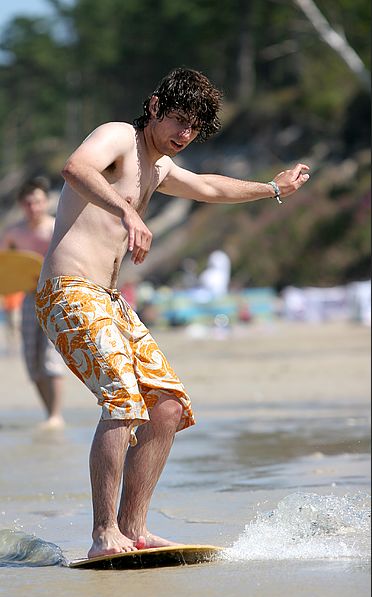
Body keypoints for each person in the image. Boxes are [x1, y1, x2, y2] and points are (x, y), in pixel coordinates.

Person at [35, 67, 310, 558]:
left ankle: (133, 528)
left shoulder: (158, 168)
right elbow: (76, 167)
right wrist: (128, 210)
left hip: (109, 300)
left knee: (166, 404)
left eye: (194, 128)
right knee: (122, 398)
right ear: (156, 106)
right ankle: (103, 535)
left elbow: (209, 187)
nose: (184, 135)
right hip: (69, 291)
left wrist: (272, 188)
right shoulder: (118, 136)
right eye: (179, 120)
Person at [0, 177, 65, 428]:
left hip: (56, 294)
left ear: (45, 202)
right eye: (28, 203)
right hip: (28, 296)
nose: (33, 207)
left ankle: (55, 415)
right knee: (32, 359)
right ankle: (49, 413)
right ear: (21, 204)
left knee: (51, 356)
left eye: (37, 202)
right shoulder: (15, 232)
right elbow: (5, 266)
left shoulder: (56, 227)